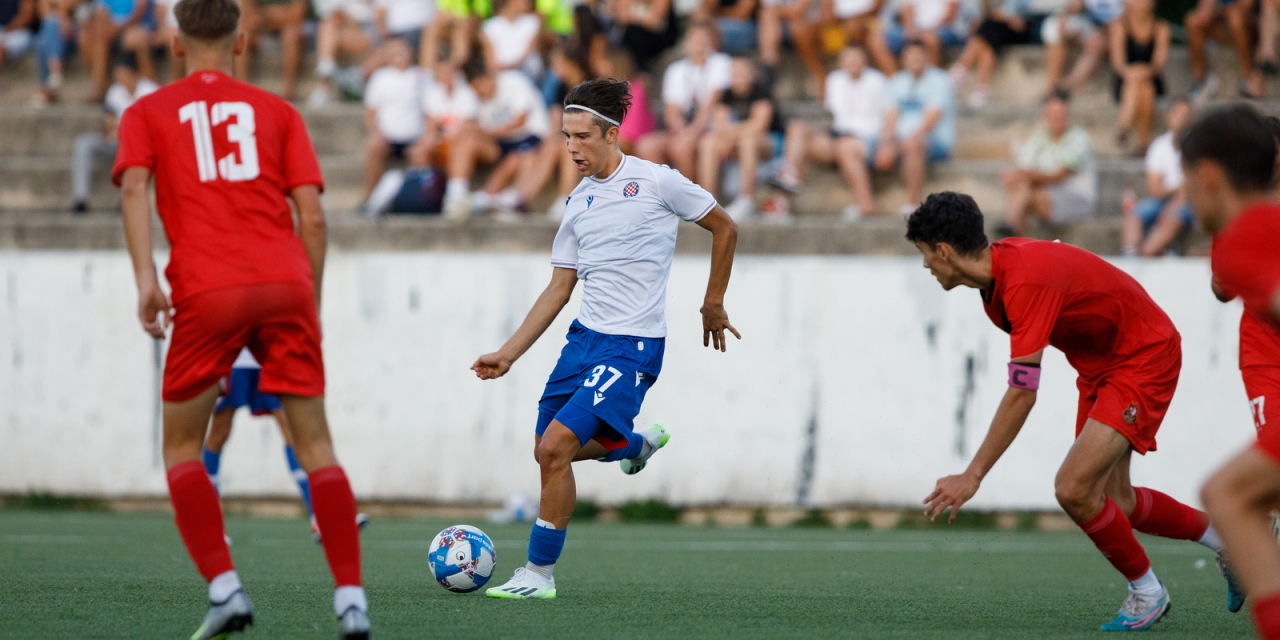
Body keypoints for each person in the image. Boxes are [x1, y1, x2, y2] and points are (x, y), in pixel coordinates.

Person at [112, 0, 369, 636]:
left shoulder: (146, 112)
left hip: (207, 287)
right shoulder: (279, 112)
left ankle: (225, 588)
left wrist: (146, 278)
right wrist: (310, 299)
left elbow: (132, 188)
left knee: (180, 447)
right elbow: (313, 216)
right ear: (242, 41)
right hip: (285, 279)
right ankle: (351, 600)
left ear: (174, 45)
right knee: (316, 446)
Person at [907, 191, 1236, 632]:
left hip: (1142, 356)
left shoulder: (1023, 281)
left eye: (926, 254)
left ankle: (1148, 592)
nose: (926, 265)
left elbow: (1022, 393)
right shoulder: (996, 286)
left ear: (944, 250)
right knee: (1115, 501)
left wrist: (973, 475)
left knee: (1073, 488)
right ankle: (1232, 540)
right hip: (1103, 367)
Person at [473, 77, 740, 600]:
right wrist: (508, 353)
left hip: (632, 346)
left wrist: (712, 302)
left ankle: (538, 575)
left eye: (581, 136)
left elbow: (726, 228)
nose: (571, 147)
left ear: (612, 134)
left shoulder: (659, 182)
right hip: (583, 342)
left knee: (555, 449)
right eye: (565, 136)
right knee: (546, 452)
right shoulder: (575, 203)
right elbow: (559, 288)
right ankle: (634, 445)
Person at [1189, 104, 1280, 640]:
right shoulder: (1241, 228)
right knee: (1234, 491)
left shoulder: (1248, 225)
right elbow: (1224, 287)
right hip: (1265, 354)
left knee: (1230, 494)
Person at [201, 348, 371, 541]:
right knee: (218, 433)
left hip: (267, 358)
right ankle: (210, 525)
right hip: (233, 357)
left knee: (292, 430)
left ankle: (321, 518)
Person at [776, 44, 886, 219]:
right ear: (840, 61)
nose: (852, 62)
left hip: (867, 140)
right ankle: (784, 196)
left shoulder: (877, 80)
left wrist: (886, 143)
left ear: (865, 60)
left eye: (856, 57)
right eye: (848, 58)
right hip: (838, 138)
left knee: (845, 146)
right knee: (797, 129)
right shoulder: (834, 80)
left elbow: (888, 116)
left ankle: (866, 205)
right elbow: (833, 117)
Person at [442, 59, 550, 219]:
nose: (480, 93)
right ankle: (455, 195)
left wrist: (485, 132)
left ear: (490, 76)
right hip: (501, 144)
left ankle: (487, 201)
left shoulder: (514, 80)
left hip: (529, 138)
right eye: (475, 89)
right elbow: (470, 127)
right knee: (467, 141)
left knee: (517, 160)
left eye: (481, 86)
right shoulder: (473, 96)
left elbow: (520, 121)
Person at [636, 21, 731, 183]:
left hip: (709, 128)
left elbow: (711, 103)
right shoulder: (675, 69)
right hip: (685, 128)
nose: (698, 43)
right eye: (695, 39)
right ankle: (663, 200)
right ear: (686, 42)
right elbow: (671, 109)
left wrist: (692, 133)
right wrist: (679, 129)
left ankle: (691, 199)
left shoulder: (721, 62)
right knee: (646, 146)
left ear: (712, 42)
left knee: (682, 147)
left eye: (703, 39)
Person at [697, 57, 786, 221]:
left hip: (770, 143)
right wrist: (732, 134)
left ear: (752, 74)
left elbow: (759, 125)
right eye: (734, 73)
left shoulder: (762, 91)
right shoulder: (726, 94)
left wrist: (731, 134)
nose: (737, 76)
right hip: (738, 143)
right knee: (708, 142)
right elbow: (719, 125)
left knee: (748, 140)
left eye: (742, 72)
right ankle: (707, 200)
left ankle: (746, 199)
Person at [997, 93, 1096, 237]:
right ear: (1046, 115)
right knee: (1021, 189)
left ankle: (1013, 233)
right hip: (1047, 195)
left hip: (1076, 198)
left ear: (1068, 114)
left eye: (1060, 114)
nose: (1057, 118)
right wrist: (1016, 176)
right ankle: (1014, 231)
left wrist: (1023, 175)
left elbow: (1058, 177)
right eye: (1053, 114)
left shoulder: (1078, 138)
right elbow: (1023, 166)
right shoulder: (1039, 138)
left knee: (1023, 191)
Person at [876, 39, 955, 215]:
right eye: (910, 56)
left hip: (934, 140)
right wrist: (886, 143)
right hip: (900, 140)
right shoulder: (897, 81)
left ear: (927, 57)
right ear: (903, 59)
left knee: (913, 145)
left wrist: (897, 146)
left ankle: (912, 203)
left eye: (918, 56)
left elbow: (930, 121)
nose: (914, 60)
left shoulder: (940, 80)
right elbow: (891, 117)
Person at [71, 52, 158, 213]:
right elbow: (108, 121)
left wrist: (125, 133)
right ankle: (80, 199)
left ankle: (124, 201)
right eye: (118, 74)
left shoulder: (151, 91)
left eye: (123, 74)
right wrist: (109, 130)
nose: (120, 78)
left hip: (140, 144)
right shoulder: (115, 91)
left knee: (133, 146)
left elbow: (154, 129)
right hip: (117, 140)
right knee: (84, 143)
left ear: (134, 73)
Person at [1121, 99, 1193, 257]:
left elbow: (1189, 191)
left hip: (1190, 202)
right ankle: (1130, 256)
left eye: (1186, 115)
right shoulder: (1159, 146)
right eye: (1178, 114)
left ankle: (1143, 256)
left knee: (1174, 215)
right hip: (1165, 199)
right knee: (1134, 214)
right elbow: (1154, 189)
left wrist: (1176, 198)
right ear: (1169, 116)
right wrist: (1177, 190)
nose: (1181, 119)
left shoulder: (1198, 147)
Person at [948, 0, 1047, 109]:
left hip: (1015, 32)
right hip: (991, 34)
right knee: (987, 39)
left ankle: (959, 72)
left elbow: (1022, 22)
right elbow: (972, 22)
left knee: (988, 28)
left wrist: (1003, 18)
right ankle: (981, 90)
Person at [362, 38, 427, 203]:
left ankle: (416, 201)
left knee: (423, 152)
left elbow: (430, 111)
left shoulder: (422, 76)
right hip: (387, 138)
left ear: (410, 52)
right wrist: (378, 134)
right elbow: (371, 114)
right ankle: (372, 198)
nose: (399, 55)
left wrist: (425, 137)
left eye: (401, 51)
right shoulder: (380, 78)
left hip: (415, 138)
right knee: (374, 146)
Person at [1110, 0, 1169, 155]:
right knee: (1141, 86)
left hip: (1150, 79)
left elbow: (1158, 64)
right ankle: (1144, 143)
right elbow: (1118, 63)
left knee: (1143, 84)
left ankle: (1123, 124)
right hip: (1126, 81)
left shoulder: (1161, 27)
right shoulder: (1118, 25)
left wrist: (1142, 71)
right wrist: (1133, 73)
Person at [407, 59, 480, 170]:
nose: (446, 76)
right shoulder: (433, 94)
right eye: (441, 73)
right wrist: (434, 140)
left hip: (460, 140)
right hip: (442, 139)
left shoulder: (467, 93)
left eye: (449, 72)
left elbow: (468, 126)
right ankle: (420, 180)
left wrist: (445, 139)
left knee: (458, 146)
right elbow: (430, 127)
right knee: (419, 150)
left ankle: (455, 184)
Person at [1041, 0, 1124, 96]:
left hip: (1117, 28)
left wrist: (1105, 30)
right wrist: (1064, 17)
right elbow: (1076, 6)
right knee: (1053, 27)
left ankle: (1066, 87)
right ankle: (1053, 86)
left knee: (1097, 42)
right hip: (1091, 24)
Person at [1184, 0, 1263, 100]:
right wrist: (1206, 12)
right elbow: (1204, 8)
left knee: (1236, 18)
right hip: (1225, 27)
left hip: (1251, 26)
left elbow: (1245, 7)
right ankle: (1200, 81)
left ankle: (1247, 78)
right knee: (1192, 20)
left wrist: (1218, 10)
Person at [307, 0, 375, 107]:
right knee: (329, 25)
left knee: (328, 30)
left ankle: (325, 80)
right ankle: (328, 72)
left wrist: (349, 19)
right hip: (340, 29)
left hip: (369, 30)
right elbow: (327, 12)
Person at [236, 0, 308, 100]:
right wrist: (274, 14)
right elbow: (247, 14)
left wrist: (267, 15)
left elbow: (297, 14)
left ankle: (288, 93)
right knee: (242, 34)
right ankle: (242, 89)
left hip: (284, 26)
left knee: (292, 35)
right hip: (259, 27)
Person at [758, 0, 823, 95]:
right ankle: (770, 73)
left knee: (797, 28)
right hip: (787, 25)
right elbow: (769, 7)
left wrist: (778, 11)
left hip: (817, 24)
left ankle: (819, 76)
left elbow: (798, 10)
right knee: (768, 17)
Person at [883, 0, 966, 64]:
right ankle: (896, 81)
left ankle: (933, 79)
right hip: (919, 29)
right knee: (883, 39)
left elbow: (950, 16)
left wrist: (926, 31)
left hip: (948, 29)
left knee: (930, 38)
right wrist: (910, 29)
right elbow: (907, 10)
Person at [835, 0, 898, 78]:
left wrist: (858, 21)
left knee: (876, 42)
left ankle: (895, 79)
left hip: (882, 24)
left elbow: (876, 8)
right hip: (854, 26)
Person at [481, 0, 543, 79]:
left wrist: (507, 68)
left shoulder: (533, 22)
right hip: (501, 77)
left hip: (528, 76)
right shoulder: (489, 27)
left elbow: (528, 53)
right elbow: (491, 63)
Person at [0, 0, 34, 69]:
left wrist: (6, 31)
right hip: (3, 29)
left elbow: (26, 16)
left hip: (19, 31)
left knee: (1, 50)